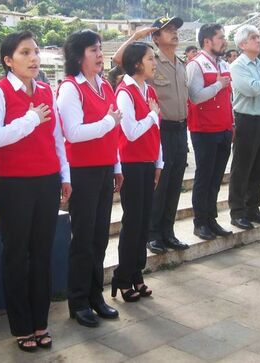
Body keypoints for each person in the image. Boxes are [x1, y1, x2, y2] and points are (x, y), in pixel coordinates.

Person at [0, 30, 71, 352]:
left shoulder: (47, 89)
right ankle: (21, 326)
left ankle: (40, 322)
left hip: (46, 181)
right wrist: (30, 119)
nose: (33, 58)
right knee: (16, 257)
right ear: (8, 60)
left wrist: (64, 174)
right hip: (15, 185)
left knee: (43, 255)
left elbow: (57, 137)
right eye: (24, 53)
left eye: (35, 52)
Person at [56, 29, 122, 328]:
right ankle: (79, 300)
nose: (99, 54)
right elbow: (75, 132)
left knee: (98, 237)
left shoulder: (104, 85)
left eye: (99, 49)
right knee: (82, 238)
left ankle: (96, 295)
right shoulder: (71, 88)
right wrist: (108, 121)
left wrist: (117, 165)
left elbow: (115, 132)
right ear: (78, 55)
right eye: (93, 50)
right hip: (82, 171)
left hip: (105, 167)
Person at [111, 15, 190, 254]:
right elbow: (118, 59)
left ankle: (168, 231)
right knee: (161, 184)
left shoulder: (181, 63)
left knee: (175, 183)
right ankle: (153, 234)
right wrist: (137, 36)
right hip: (159, 129)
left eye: (176, 29)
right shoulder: (149, 64)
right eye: (168, 30)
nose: (174, 33)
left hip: (179, 128)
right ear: (155, 37)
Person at [112, 42, 163, 302]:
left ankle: (137, 273)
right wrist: (152, 116)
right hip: (131, 164)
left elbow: (156, 131)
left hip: (147, 162)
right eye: (150, 58)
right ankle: (122, 278)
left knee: (144, 222)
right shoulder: (125, 92)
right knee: (132, 222)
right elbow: (130, 132)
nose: (154, 62)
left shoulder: (149, 90)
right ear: (136, 63)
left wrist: (159, 163)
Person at [186, 23, 234, 240]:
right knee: (204, 177)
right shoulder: (196, 65)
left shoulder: (223, 64)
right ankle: (200, 221)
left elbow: (229, 97)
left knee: (216, 177)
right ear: (207, 41)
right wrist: (218, 85)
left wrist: (232, 123)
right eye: (220, 37)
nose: (224, 41)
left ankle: (211, 218)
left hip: (223, 127)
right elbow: (195, 96)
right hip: (204, 129)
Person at [227, 25, 260, 230]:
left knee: (259, 167)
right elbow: (251, 89)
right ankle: (237, 212)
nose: (258, 40)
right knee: (242, 168)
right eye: (254, 38)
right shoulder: (238, 65)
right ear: (243, 44)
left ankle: (253, 207)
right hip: (247, 120)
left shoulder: (258, 63)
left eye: (258, 37)